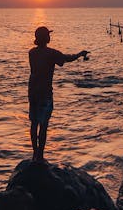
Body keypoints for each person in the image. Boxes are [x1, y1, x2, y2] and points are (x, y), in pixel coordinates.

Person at [28, 26, 88, 162]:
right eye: (48, 35)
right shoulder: (51, 53)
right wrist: (80, 54)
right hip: (45, 93)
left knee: (34, 123)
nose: (50, 37)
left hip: (32, 92)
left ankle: (34, 154)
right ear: (46, 38)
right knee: (43, 125)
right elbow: (66, 59)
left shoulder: (31, 53)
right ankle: (40, 157)